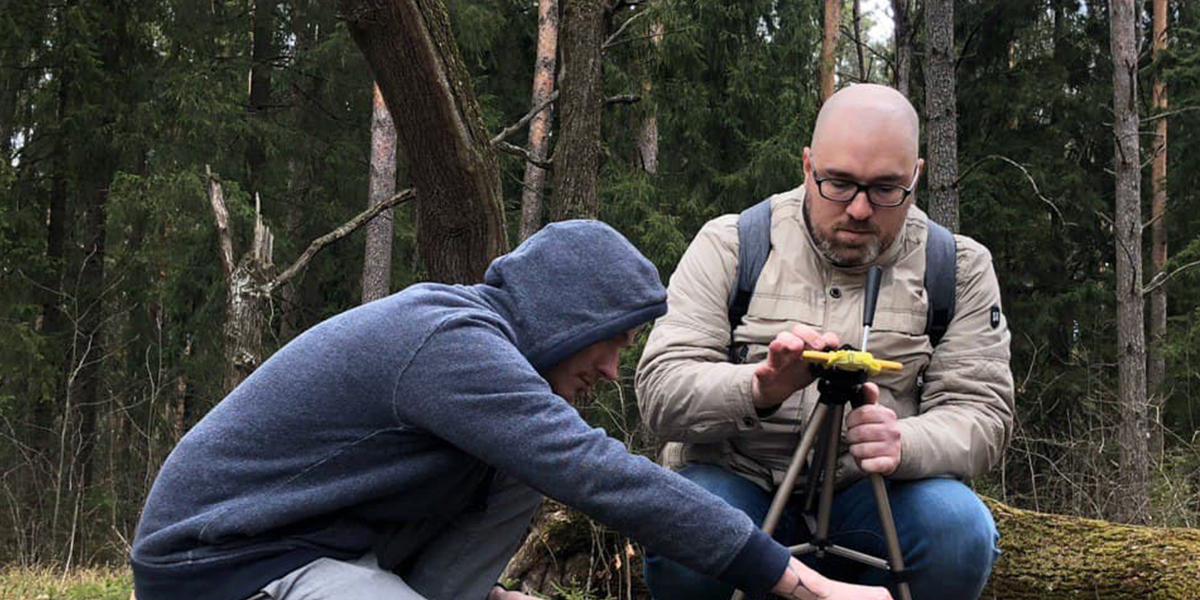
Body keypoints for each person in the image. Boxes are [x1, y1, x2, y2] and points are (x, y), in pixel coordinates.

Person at [131, 220, 893, 600]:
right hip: (219, 565)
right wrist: (802, 583)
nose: (610, 369)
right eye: (611, 341)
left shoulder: (486, 353)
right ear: (568, 314)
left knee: (526, 466)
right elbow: (603, 476)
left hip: (321, 546)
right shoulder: (451, 340)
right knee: (565, 457)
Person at [636, 84, 1014, 600]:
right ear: (807, 165)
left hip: (873, 495)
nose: (859, 209)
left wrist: (904, 443)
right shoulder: (732, 244)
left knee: (958, 533)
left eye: (886, 189)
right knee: (684, 528)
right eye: (838, 183)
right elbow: (660, 392)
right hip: (736, 480)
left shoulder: (957, 267)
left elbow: (982, 414)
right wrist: (760, 388)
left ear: (916, 177)